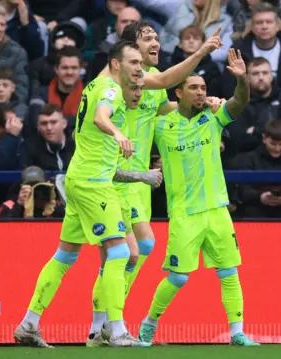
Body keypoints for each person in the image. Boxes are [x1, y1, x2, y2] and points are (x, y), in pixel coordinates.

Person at [86, 20, 226, 346]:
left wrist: (204, 104)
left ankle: (102, 326)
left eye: (156, 38)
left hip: (141, 179)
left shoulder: (153, 86)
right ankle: (107, 325)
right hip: (119, 175)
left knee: (120, 254)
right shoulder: (128, 80)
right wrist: (202, 51)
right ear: (130, 49)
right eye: (146, 38)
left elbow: (165, 109)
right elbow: (164, 79)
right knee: (131, 250)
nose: (155, 43)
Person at [13, 40, 152, 348]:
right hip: (93, 183)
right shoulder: (112, 91)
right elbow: (102, 117)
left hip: (77, 179)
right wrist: (117, 132)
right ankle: (115, 331)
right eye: (133, 62)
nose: (139, 68)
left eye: (139, 63)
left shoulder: (93, 85)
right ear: (116, 64)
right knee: (121, 253)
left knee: (65, 255)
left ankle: (28, 323)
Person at [137, 48, 259, 346]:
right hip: (184, 213)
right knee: (178, 277)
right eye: (193, 87)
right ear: (178, 92)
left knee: (229, 272)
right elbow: (140, 113)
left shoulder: (213, 118)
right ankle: (148, 324)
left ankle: (237, 333)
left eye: (204, 88)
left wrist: (242, 80)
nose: (201, 93)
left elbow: (240, 102)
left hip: (217, 208)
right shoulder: (161, 126)